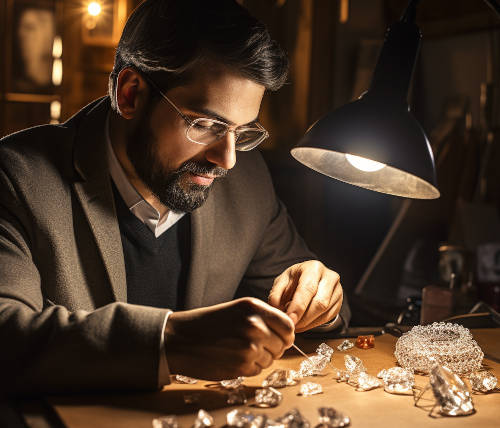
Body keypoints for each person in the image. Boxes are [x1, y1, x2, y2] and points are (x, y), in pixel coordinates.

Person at [0, 0, 349, 396]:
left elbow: (324, 318)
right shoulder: (16, 177)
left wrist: (321, 300)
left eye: (244, 131)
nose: (227, 160)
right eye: (204, 124)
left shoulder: (246, 182)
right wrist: (170, 342)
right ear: (130, 94)